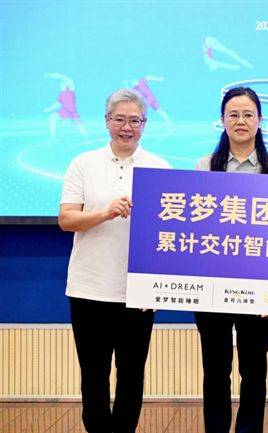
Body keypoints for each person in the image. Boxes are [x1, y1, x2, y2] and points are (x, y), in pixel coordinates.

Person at [58, 89, 171, 433]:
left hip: (137, 292)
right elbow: (66, 220)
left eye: (135, 120)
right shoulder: (83, 163)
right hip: (88, 288)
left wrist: (157, 288)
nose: (127, 127)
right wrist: (105, 213)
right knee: (93, 373)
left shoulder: (160, 168)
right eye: (119, 119)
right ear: (107, 121)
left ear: (144, 124)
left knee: (132, 373)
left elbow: (168, 235)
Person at [194, 86, 268, 433]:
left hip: (259, 288)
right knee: (215, 369)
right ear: (222, 120)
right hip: (212, 285)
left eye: (248, 114)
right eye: (233, 114)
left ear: (260, 120)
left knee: (254, 369)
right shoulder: (205, 166)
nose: (240, 121)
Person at [44, 72, 88, 137]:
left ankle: (86, 137)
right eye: (61, 84)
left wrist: (59, 76)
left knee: (82, 131)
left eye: (63, 83)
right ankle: (52, 136)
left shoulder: (71, 90)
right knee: (52, 117)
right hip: (64, 111)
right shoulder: (61, 94)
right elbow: (57, 103)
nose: (61, 85)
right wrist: (48, 109)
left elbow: (69, 81)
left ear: (67, 85)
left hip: (72, 112)